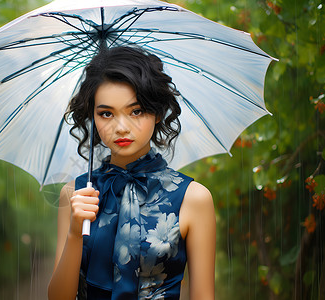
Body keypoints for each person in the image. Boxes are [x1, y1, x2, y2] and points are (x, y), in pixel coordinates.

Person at [48, 46, 216, 300]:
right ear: (93, 117)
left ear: (157, 112)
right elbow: (58, 297)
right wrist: (74, 232)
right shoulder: (76, 193)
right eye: (106, 114)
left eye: (136, 111)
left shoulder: (194, 199)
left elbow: (203, 296)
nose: (121, 127)